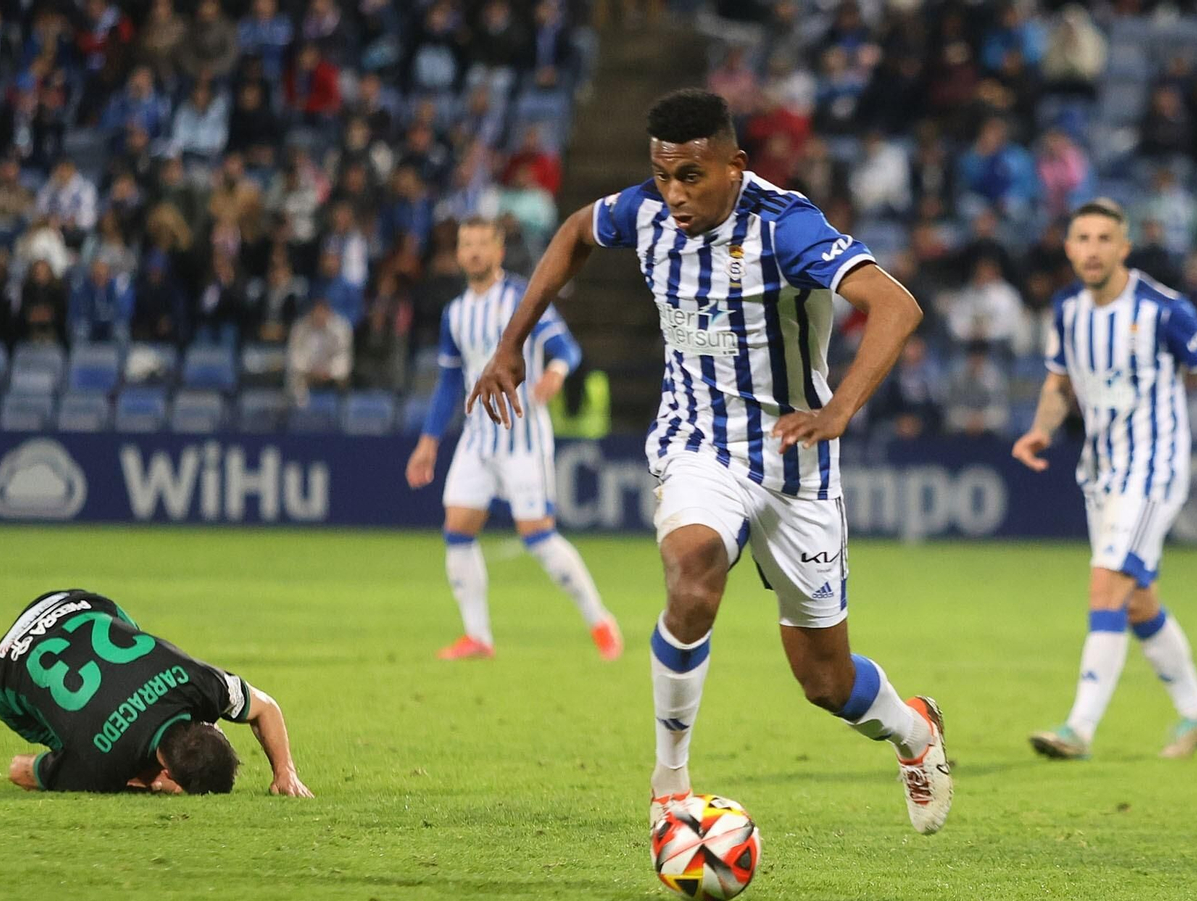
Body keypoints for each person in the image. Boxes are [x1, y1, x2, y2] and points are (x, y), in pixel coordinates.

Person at [465, 90, 951, 835]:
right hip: (698, 445)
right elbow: (573, 233)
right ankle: (670, 788)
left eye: (691, 175)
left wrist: (838, 409)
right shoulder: (648, 212)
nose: (674, 194)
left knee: (825, 681)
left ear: (736, 165)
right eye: (662, 175)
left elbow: (896, 305)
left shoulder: (786, 228)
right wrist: (510, 344)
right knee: (692, 570)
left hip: (795, 464)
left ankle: (914, 732)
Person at [1012, 199, 1197, 761]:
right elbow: (1058, 384)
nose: (1093, 249)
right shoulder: (1067, 308)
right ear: (1069, 248)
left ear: (1124, 248)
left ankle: (1079, 728)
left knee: (1107, 584)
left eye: (1105, 238)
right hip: (1101, 471)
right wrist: (1040, 431)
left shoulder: (1165, 310)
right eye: (1083, 238)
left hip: (1154, 469)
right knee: (1135, 601)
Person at [406, 216, 622, 663]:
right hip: (476, 440)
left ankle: (599, 620)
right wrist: (429, 440)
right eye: (467, 243)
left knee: (538, 537)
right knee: (457, 530)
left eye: (483, 243)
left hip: (522, 438)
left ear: (499, 251)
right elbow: (450, 382)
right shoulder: (456, 313)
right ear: (459, 252)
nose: (474, 252)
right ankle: (478, 637)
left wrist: (556, 374)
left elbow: (567, 349)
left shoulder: (523, 298)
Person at [0, 588, 312, 796]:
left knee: (132, 651)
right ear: (168, 773)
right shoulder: (98, 766)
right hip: (6, 665)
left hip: (76, 604)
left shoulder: (199, 682)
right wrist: (138, 785)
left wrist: (285, 771)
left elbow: (265, 707)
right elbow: (18, 769)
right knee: (69, 737)